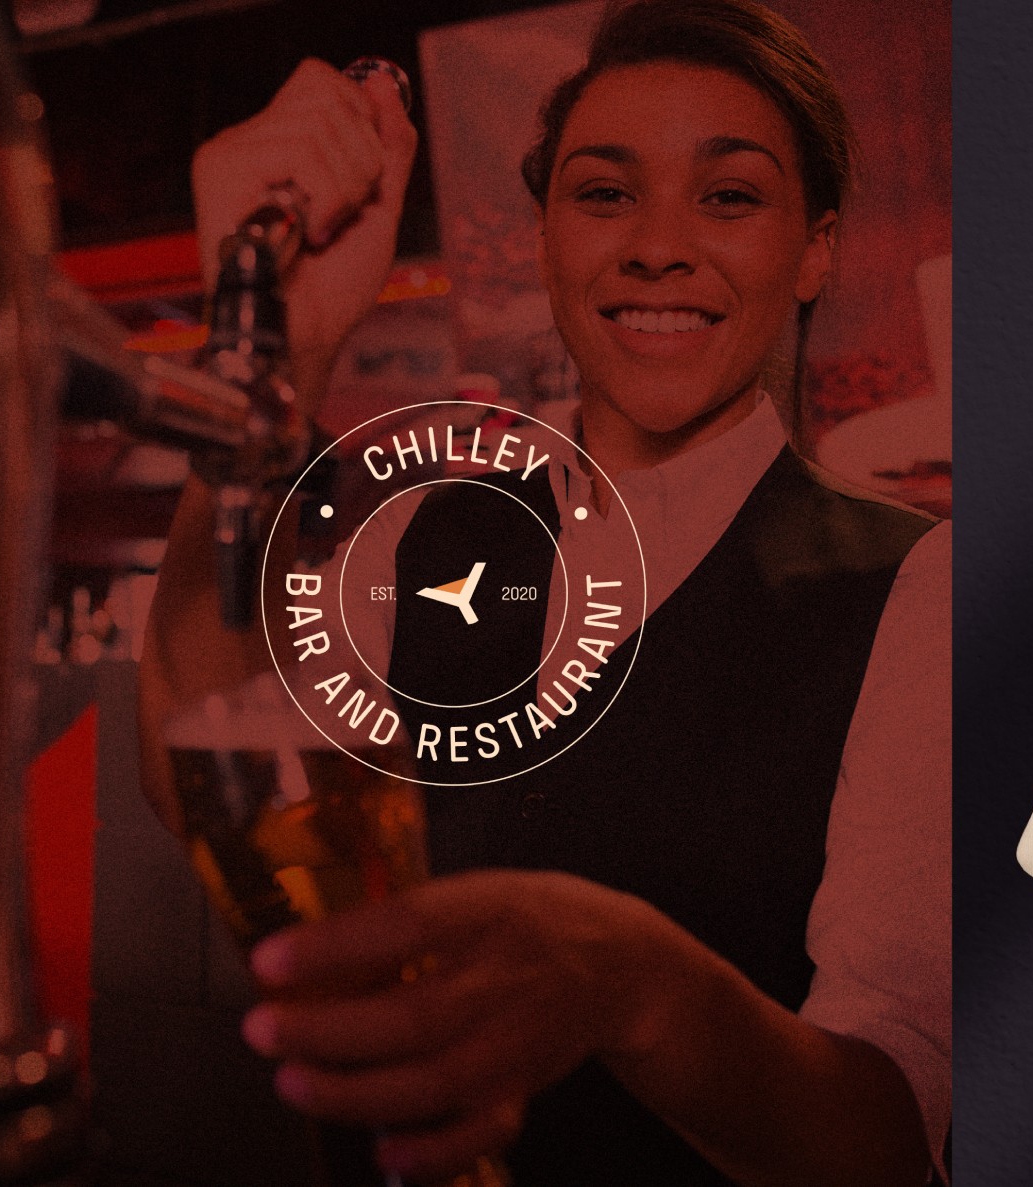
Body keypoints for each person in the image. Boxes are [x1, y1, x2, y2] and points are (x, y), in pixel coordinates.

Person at [136, 2, 948, 1182]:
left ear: (815, 247)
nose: (657, 243)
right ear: (543, 235)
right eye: (605, 192)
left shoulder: (909, 589)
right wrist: (283, 349)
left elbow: (881, 1140)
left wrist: (633, 981)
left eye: (728, 196)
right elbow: (207, 778)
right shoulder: (420, 529)